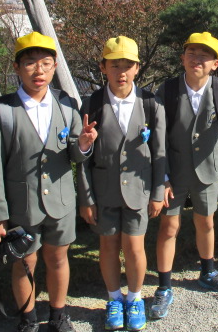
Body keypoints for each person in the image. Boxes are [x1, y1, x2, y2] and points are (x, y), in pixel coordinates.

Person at [0, 31, 97, 332]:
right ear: (17, 67)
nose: (39, 70)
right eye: (30, 63)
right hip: (22, 204)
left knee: (58, 259)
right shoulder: (2, 111)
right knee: (24, 263)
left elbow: (75, 155)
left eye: (46, 63)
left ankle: (58, 316)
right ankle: (28, 320)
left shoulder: (67, 105)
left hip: (61, 200)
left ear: (55, 67)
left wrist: (84, 144)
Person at [149, 32, 218, 320]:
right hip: (174, 171)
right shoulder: (168, 90)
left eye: (205, 55)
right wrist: (162, 176)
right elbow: (157, 138)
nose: (197, 59)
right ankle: (164, 286)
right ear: (182, 58)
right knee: (169, 227)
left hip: (209, 168)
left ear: (215, 63)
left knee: (206, 221)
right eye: (192, 53)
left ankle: (208, 272)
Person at [77, 36, 166, 332]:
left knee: (135, 247)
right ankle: (114, 298)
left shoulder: (151, 103)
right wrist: (86, 199)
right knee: (108, 245)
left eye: (127, 65)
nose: (121, 72)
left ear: (137, 67)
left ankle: (135, 298)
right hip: (104, 192)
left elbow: (160, 153)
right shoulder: (91, 104)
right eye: (114, 65)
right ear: (103, 67)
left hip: (139, 190)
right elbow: (82, 159)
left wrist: (157, 192)